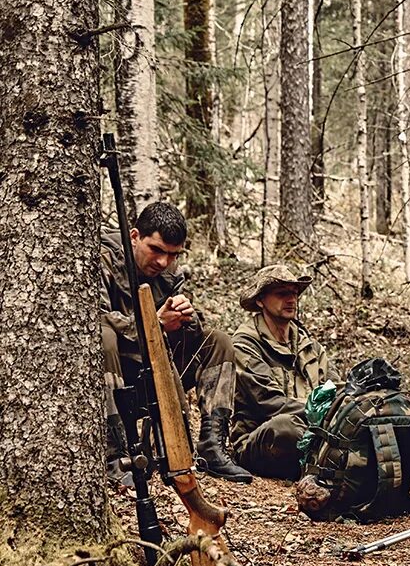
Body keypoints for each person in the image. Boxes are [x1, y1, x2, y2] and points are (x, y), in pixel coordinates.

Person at [101, 202, 252, 483]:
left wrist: (186, 317)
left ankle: (212, 447)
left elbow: (192, 331)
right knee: (102, 336)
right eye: (156, 250)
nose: (163, 262)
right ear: (134, 236)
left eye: (172, 255)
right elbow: (95, 319)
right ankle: (114, 453)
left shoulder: (170, 272)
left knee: (218, 342)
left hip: (156, 372)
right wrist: (154, 323)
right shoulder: (104, 258)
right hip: (115, 371)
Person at [230, 264, 336, 480]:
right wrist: (321, 416)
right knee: (284, 428)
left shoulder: (311, 348)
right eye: (281, 294)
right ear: (260, 300)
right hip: (262, 437)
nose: (291, 300)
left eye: (294, 293)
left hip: (315, 432)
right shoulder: (244, 344)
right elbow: (268, 403)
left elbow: (335, 390)